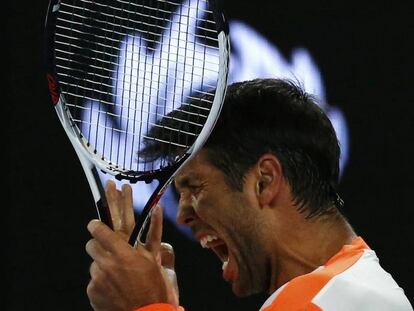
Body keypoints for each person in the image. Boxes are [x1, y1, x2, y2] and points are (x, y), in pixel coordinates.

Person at [85, 79, 413, 311]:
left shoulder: (320, 303)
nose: (183, 214)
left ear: (264, 181)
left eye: (194, 187)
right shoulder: (350, 291)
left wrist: (144, 307)